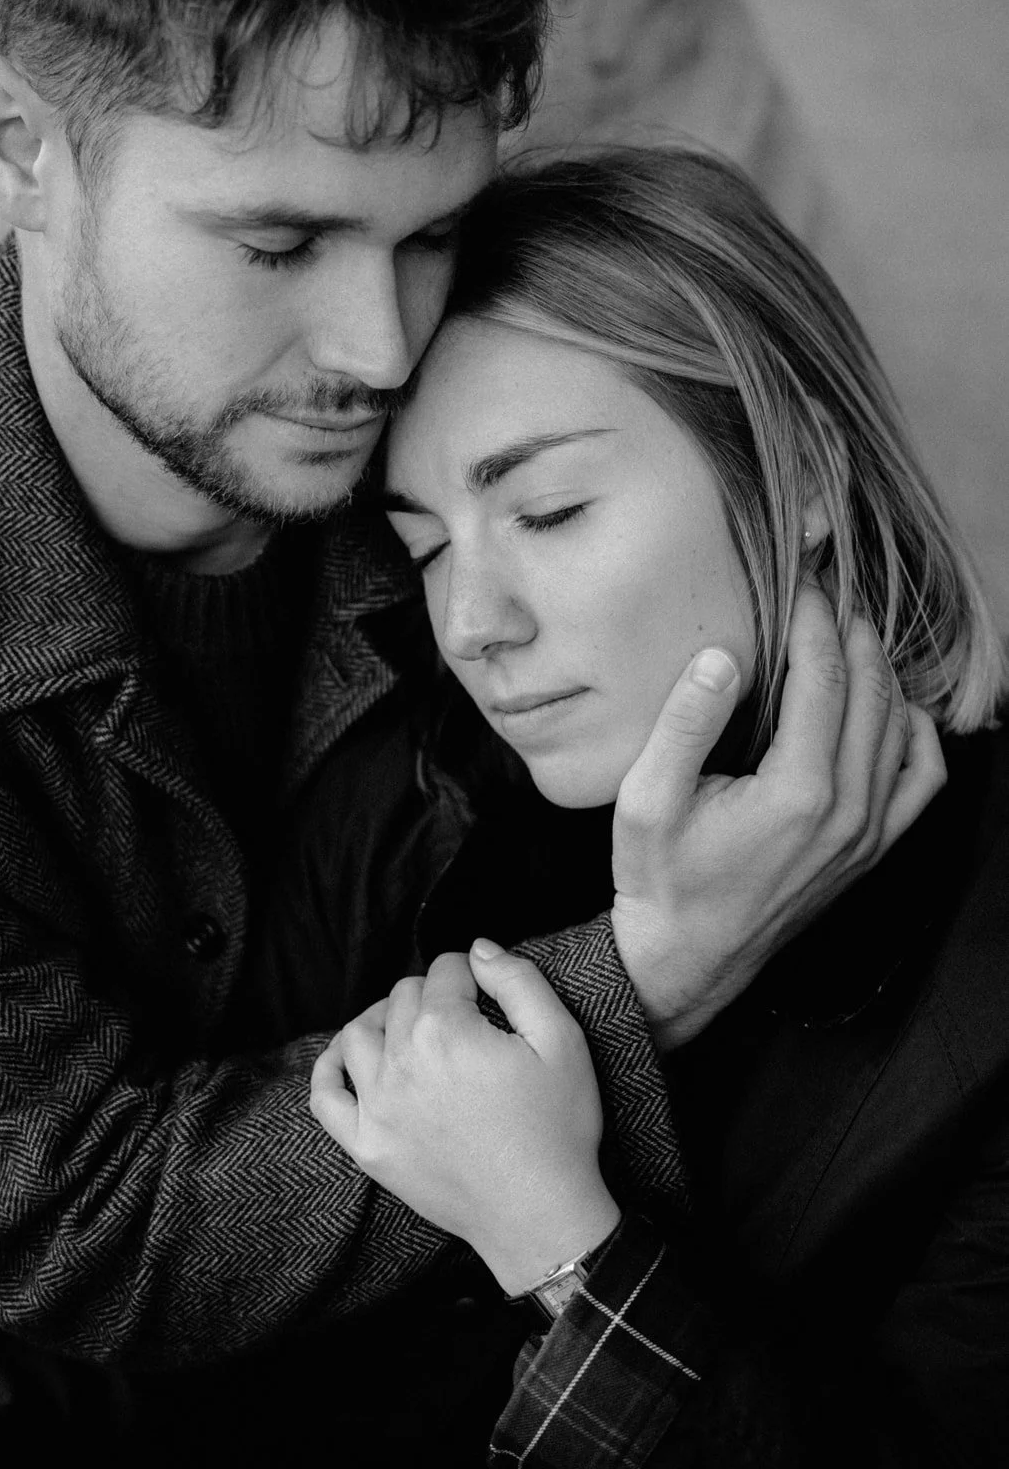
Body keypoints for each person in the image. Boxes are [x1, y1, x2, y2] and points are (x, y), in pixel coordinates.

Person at [0, 0, 934, 1463]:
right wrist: (644, 976)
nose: (381, 350)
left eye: (433, 235)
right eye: (276, 241)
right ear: (19, 149)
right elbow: (79, 1239)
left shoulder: (464, 457)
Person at [311, 146, 1009, 1466]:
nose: (472, 624)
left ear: (798, 473)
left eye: (550, 510)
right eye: (425, 545)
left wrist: (558, 1242)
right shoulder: (413, 796)